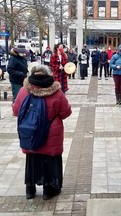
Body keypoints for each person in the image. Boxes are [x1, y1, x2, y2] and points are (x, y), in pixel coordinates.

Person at [12, 65, 72, 200]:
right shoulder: (56, 91)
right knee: (50, 160)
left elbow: (16, 111)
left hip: (31, 133)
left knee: (32, 158)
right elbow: (66, 112)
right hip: (51, 133)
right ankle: (48, 190)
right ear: (48, 75)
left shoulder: (23, 90)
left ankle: (30, 190)